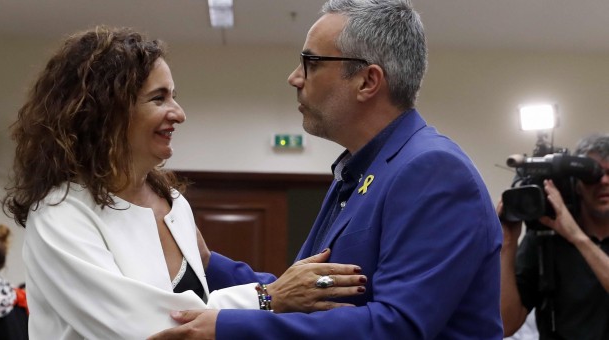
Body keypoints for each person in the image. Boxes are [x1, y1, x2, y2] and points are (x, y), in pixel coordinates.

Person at [150, 0, 504, 338]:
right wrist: (209, 263)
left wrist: (226, 328)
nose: (295, 78)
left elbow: (396, 327)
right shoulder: (359, 172)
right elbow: (312, 293)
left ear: (367, 81)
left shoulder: (433, 170)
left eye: (311, 62)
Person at [1, 26, 366, 339]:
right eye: (159, 98)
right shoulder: (61, 213)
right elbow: (151, 329)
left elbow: (197, 314)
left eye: (174, 96)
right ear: (105, 112)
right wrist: (267, 297)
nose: (178, 113)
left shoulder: (173, 202)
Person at [499, 133, 609, 339]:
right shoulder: (545, 238)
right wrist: (508, 242)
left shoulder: (569, 235)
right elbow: (505, 325)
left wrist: (577, 237)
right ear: (575, 184)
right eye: (593, 175)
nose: (603, 181)